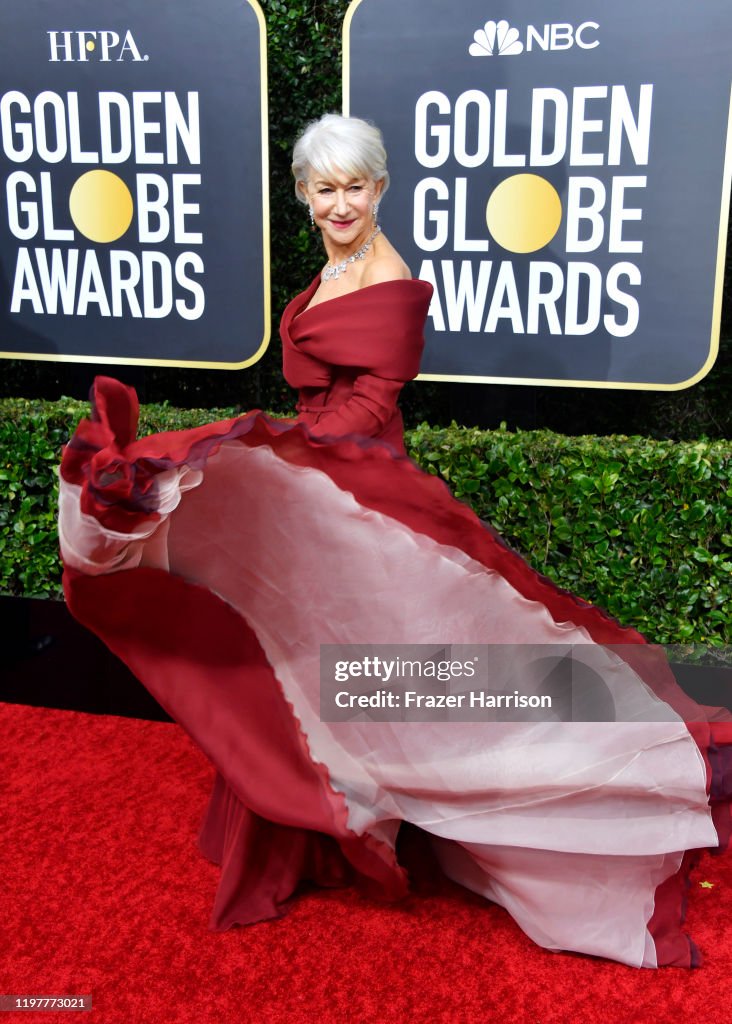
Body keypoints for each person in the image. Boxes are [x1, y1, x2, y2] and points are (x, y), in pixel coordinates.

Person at [59, 114, 731, 970]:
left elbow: (368, 409)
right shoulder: (336, 263)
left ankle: (504, 798)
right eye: (324, 188)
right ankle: (329, 815)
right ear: (304, 196)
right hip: (316, 482)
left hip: (356, 486)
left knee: (377, 660)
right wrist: (277, 466)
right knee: (308, 652)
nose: (342, 203)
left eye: (356, 187)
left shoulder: (388, 274)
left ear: (380, 188)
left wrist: (273, 465)